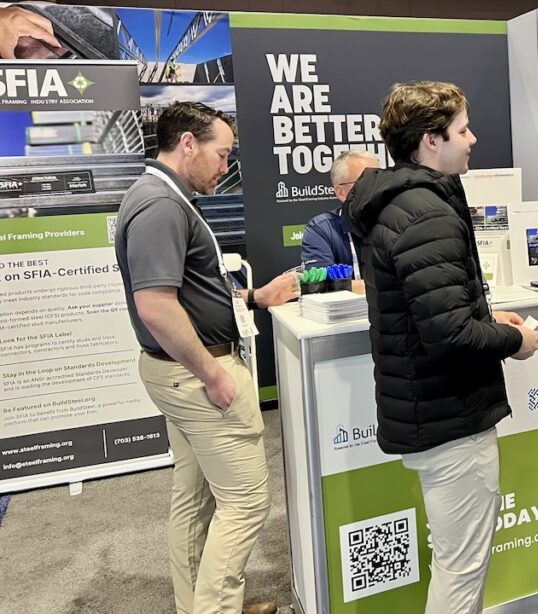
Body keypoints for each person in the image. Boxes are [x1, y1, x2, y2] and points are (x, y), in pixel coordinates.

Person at [346, 81, 538, 614]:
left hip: (428, 411)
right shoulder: (425, 211)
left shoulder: (402, 203)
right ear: (431, 141)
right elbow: (450, 335)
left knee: (457, 562)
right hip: (450, 418)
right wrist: (516, 340)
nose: (473, 139)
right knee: (461, 570)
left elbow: (430, 311)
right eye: (462, 130)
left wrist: (483, 315)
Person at [115, 101, 299, 614]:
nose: (226, 166)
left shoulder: (162, 196)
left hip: (178, 376)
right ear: (189, 144)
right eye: (222, 154)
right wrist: (213, 374)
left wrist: (254, 298)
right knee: (245, 503)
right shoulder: (160, 205)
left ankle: (199, 604)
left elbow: (189, 293)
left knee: (194, 498)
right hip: (195, 379)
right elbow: (155, 307)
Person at [300, 149, 380, 272]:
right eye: (365, 182)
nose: (376, 188)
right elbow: (323, 285)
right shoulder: (321, 229)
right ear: (340, 192)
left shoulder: (398, 221)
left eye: (379, 180)